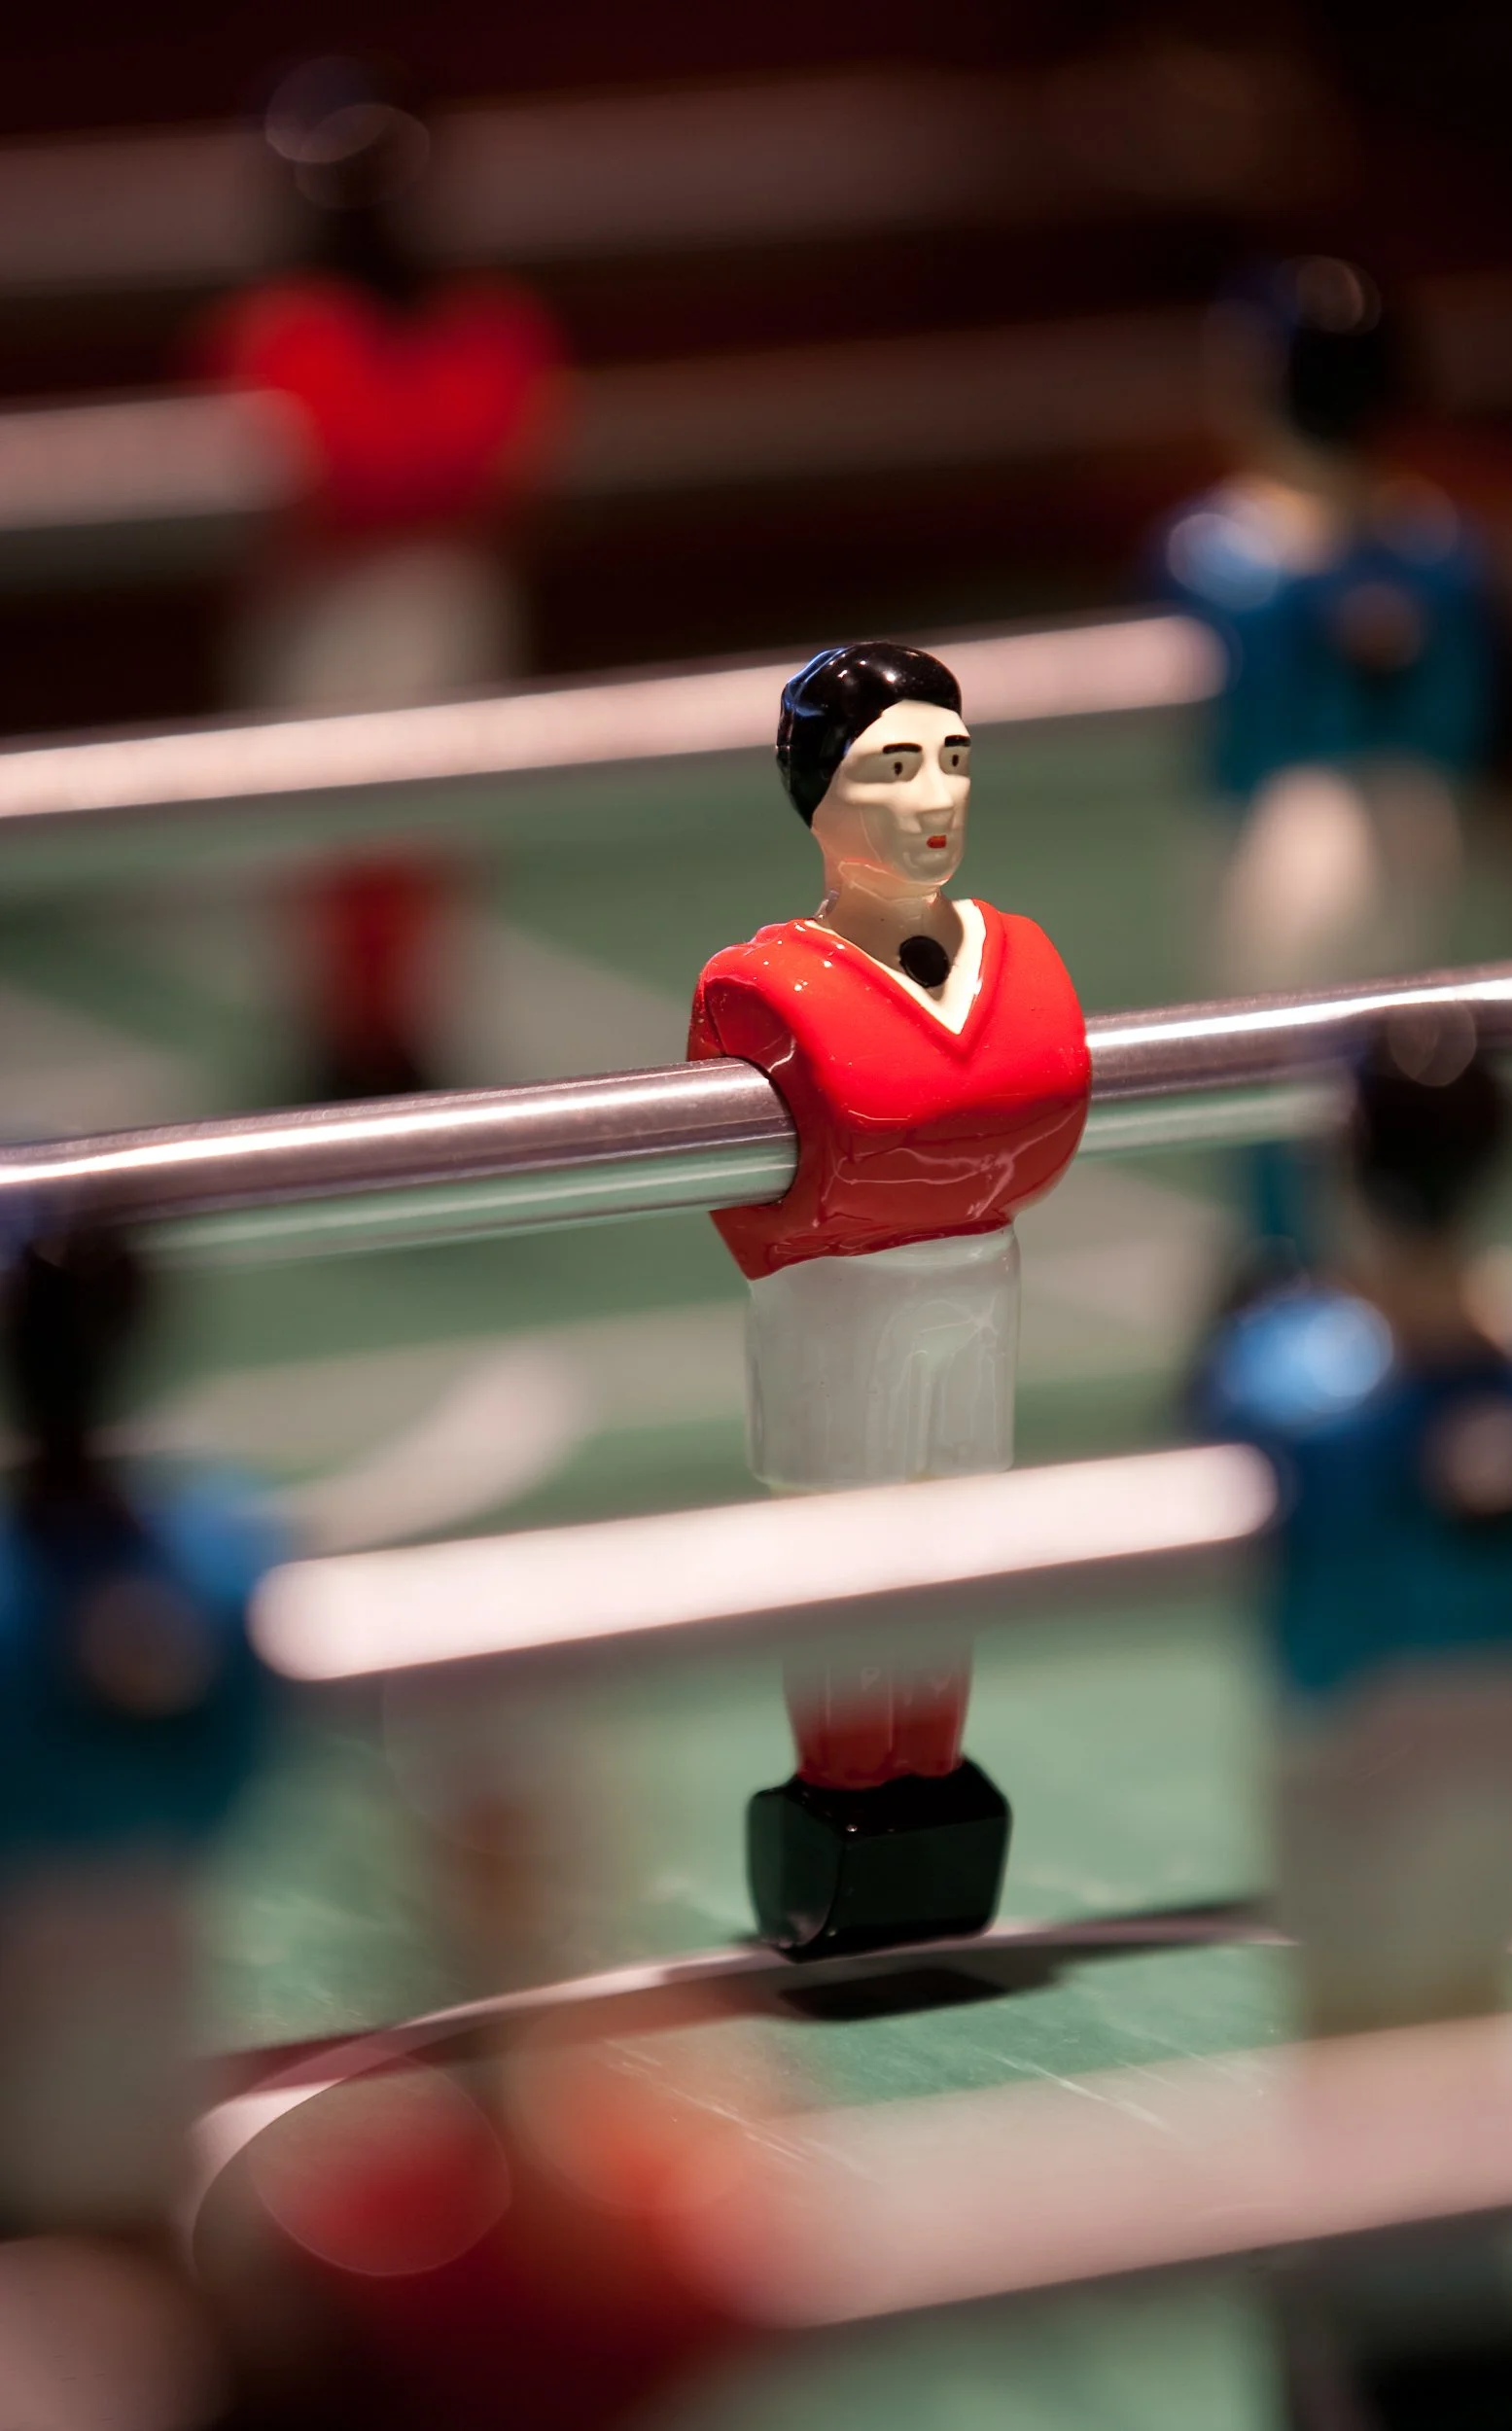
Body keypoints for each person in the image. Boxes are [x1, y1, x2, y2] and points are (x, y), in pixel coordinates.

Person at [1199, 1009, 1512, 2425]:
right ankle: (1442, 2306)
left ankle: (1365, 2340)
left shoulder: (1299, 1377)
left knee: (1360, 2037)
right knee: (1461, 2019)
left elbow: (1298, 1611)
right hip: (1498, 1731)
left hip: (1362, 1748)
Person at [688, 641, 1091, 1956]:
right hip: (838, 1309)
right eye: (891, 768)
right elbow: (776, 1192)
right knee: (844, 1557)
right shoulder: (757, 989)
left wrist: (899, 1162)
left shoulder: (1012, 952)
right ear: (816, 799)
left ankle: (929, 1775)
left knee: (951, 1550)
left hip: (970, 1290)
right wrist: (936, 1163)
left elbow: (1009, 1120)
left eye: (953, 761)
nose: (935, 799)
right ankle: (841, 1788)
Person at [199, 59, 569, 1099]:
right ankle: (331, 1036)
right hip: (322, 601)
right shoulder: (288, 327)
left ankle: (401, 1030)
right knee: (316, 834)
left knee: (428, 834)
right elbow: (334, 465)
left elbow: (487, 452)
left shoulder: (481, 322)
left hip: (435, 594)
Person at [1160, 257, 1492, 1270]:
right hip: (1397, 821)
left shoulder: (1239, 553)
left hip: (1308, 834)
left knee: (1295, 1060)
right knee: (1319, 1060)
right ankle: (1312, 1255)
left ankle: (1296, 1263)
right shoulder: (1420, 541)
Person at [0, 1221, 279, 2420]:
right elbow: (234, 1764)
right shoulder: (210, 1561)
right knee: (112, 2193)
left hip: (73, 1928)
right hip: (136, 1924)